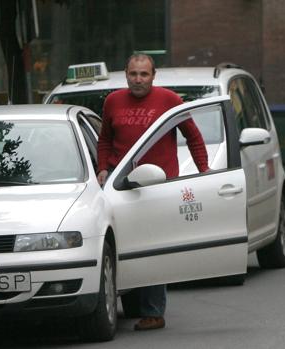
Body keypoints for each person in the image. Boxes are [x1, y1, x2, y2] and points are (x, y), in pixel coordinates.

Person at [97, 53, 209, 331]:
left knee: (152, 245)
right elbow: (105, 141)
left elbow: (192, 135)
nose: (138, 80)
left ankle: (153, 311)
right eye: (133, 74)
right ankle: (129, 301)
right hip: (121, 184)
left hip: (158, 184)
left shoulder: (169, 100)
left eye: (144, 74)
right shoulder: (113, 101)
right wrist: (102, 169)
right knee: (123, 244)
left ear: (153, 75)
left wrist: (204, 171)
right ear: (125, 74)